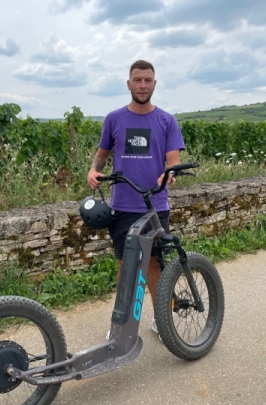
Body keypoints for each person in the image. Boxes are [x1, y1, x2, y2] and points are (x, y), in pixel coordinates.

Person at [87, 59, 185, 336]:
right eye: (138, 80)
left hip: (155, 206)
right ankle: (121, 327)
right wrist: (93, 171)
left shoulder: (166, 120)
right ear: (128, 83)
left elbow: (172, 162)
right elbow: (102, 155)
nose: (143, 85)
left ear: (155, 84)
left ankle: (161, 318)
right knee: (125, 266)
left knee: (155, 264)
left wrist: (169, 175)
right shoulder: (114, 118)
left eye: (148, 80)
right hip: (122, 205)